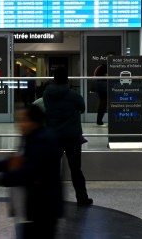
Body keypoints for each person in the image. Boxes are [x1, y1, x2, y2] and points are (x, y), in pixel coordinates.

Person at [0, 105, 63, 239]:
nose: (19, 124)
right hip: (32, 207)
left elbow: (29, 172)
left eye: (23, 120)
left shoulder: (44, 140)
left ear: (34, 121)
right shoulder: (30, 137)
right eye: (18, 120)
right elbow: (15, 162)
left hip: (43, 207)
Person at [43, 66, 93, 207]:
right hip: (72, 136)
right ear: (67, 79)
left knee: (52, 169)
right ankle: (82, 199)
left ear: (54, 78)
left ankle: (50, 199)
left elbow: (47, 107)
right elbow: (82, 108)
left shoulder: (47, 94)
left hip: (53, 136)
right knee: (76, 169)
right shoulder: (74, 95)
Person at [93, 51, 115, 126]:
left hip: (112, 87)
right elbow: (96, 77)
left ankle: (107, 121)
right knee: (103, 104)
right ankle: (99, 121)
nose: (110, 59)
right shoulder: (102, 67)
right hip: (104, 88)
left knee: (111, 104)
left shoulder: (116, 67)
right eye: (109, 57)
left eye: (112, 57)